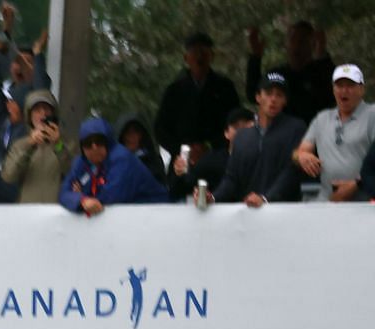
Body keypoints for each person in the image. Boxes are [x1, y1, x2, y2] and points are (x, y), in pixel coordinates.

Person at [216, 73, 306, 206]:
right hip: (249, 213)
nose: (273, 99)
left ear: (285, 101)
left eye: (279, 95)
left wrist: (265, 199)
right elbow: (231, 178)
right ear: (258, 97)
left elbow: (292, 171)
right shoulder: (242, 136)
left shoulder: (296, 128)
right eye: (269, 93)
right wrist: (213, 197)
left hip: (285, 213)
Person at [155, 31, 244, 161]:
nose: (199, 57)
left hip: (218, 157)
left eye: (203, 52)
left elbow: (237, 122)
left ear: (211, 56)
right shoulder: (174, 91)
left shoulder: (225, 87)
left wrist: (210, 146)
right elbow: (161, 129)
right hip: (182, 159)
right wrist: (183, 150)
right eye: (194, 52)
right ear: (186, 58)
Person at [59, 116, 169, 215]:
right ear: (82, 148)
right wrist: (81, 200)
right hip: (131, 217)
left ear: (108, 142)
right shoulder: (81, 162)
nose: (94, 147)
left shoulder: (122, 158)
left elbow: (109, 197)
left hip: (158, 213)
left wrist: (83, 195)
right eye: (88, 143)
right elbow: (63, 193)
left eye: (99, 141)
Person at [294, 66, 372, 203]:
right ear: (333, 89)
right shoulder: (322, 118)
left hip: (365, 200)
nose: (344, 90)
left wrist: (356, 184)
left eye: (350, 85)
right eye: (339, 85)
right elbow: (299, 151)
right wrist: (302, 155)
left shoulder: (372, 115)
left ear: (361, 89)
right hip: (328, 199)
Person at [1, 90, 68, 203]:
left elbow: (73, 171)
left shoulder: (64, 142)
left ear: (53, 114)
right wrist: (29, 144)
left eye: (47, 109)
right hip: (28, 213)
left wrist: (58, 144)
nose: (43, 114)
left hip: (56, 213)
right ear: (30, 116)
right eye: (37, 110)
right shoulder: (20, 144)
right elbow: (8, 176)